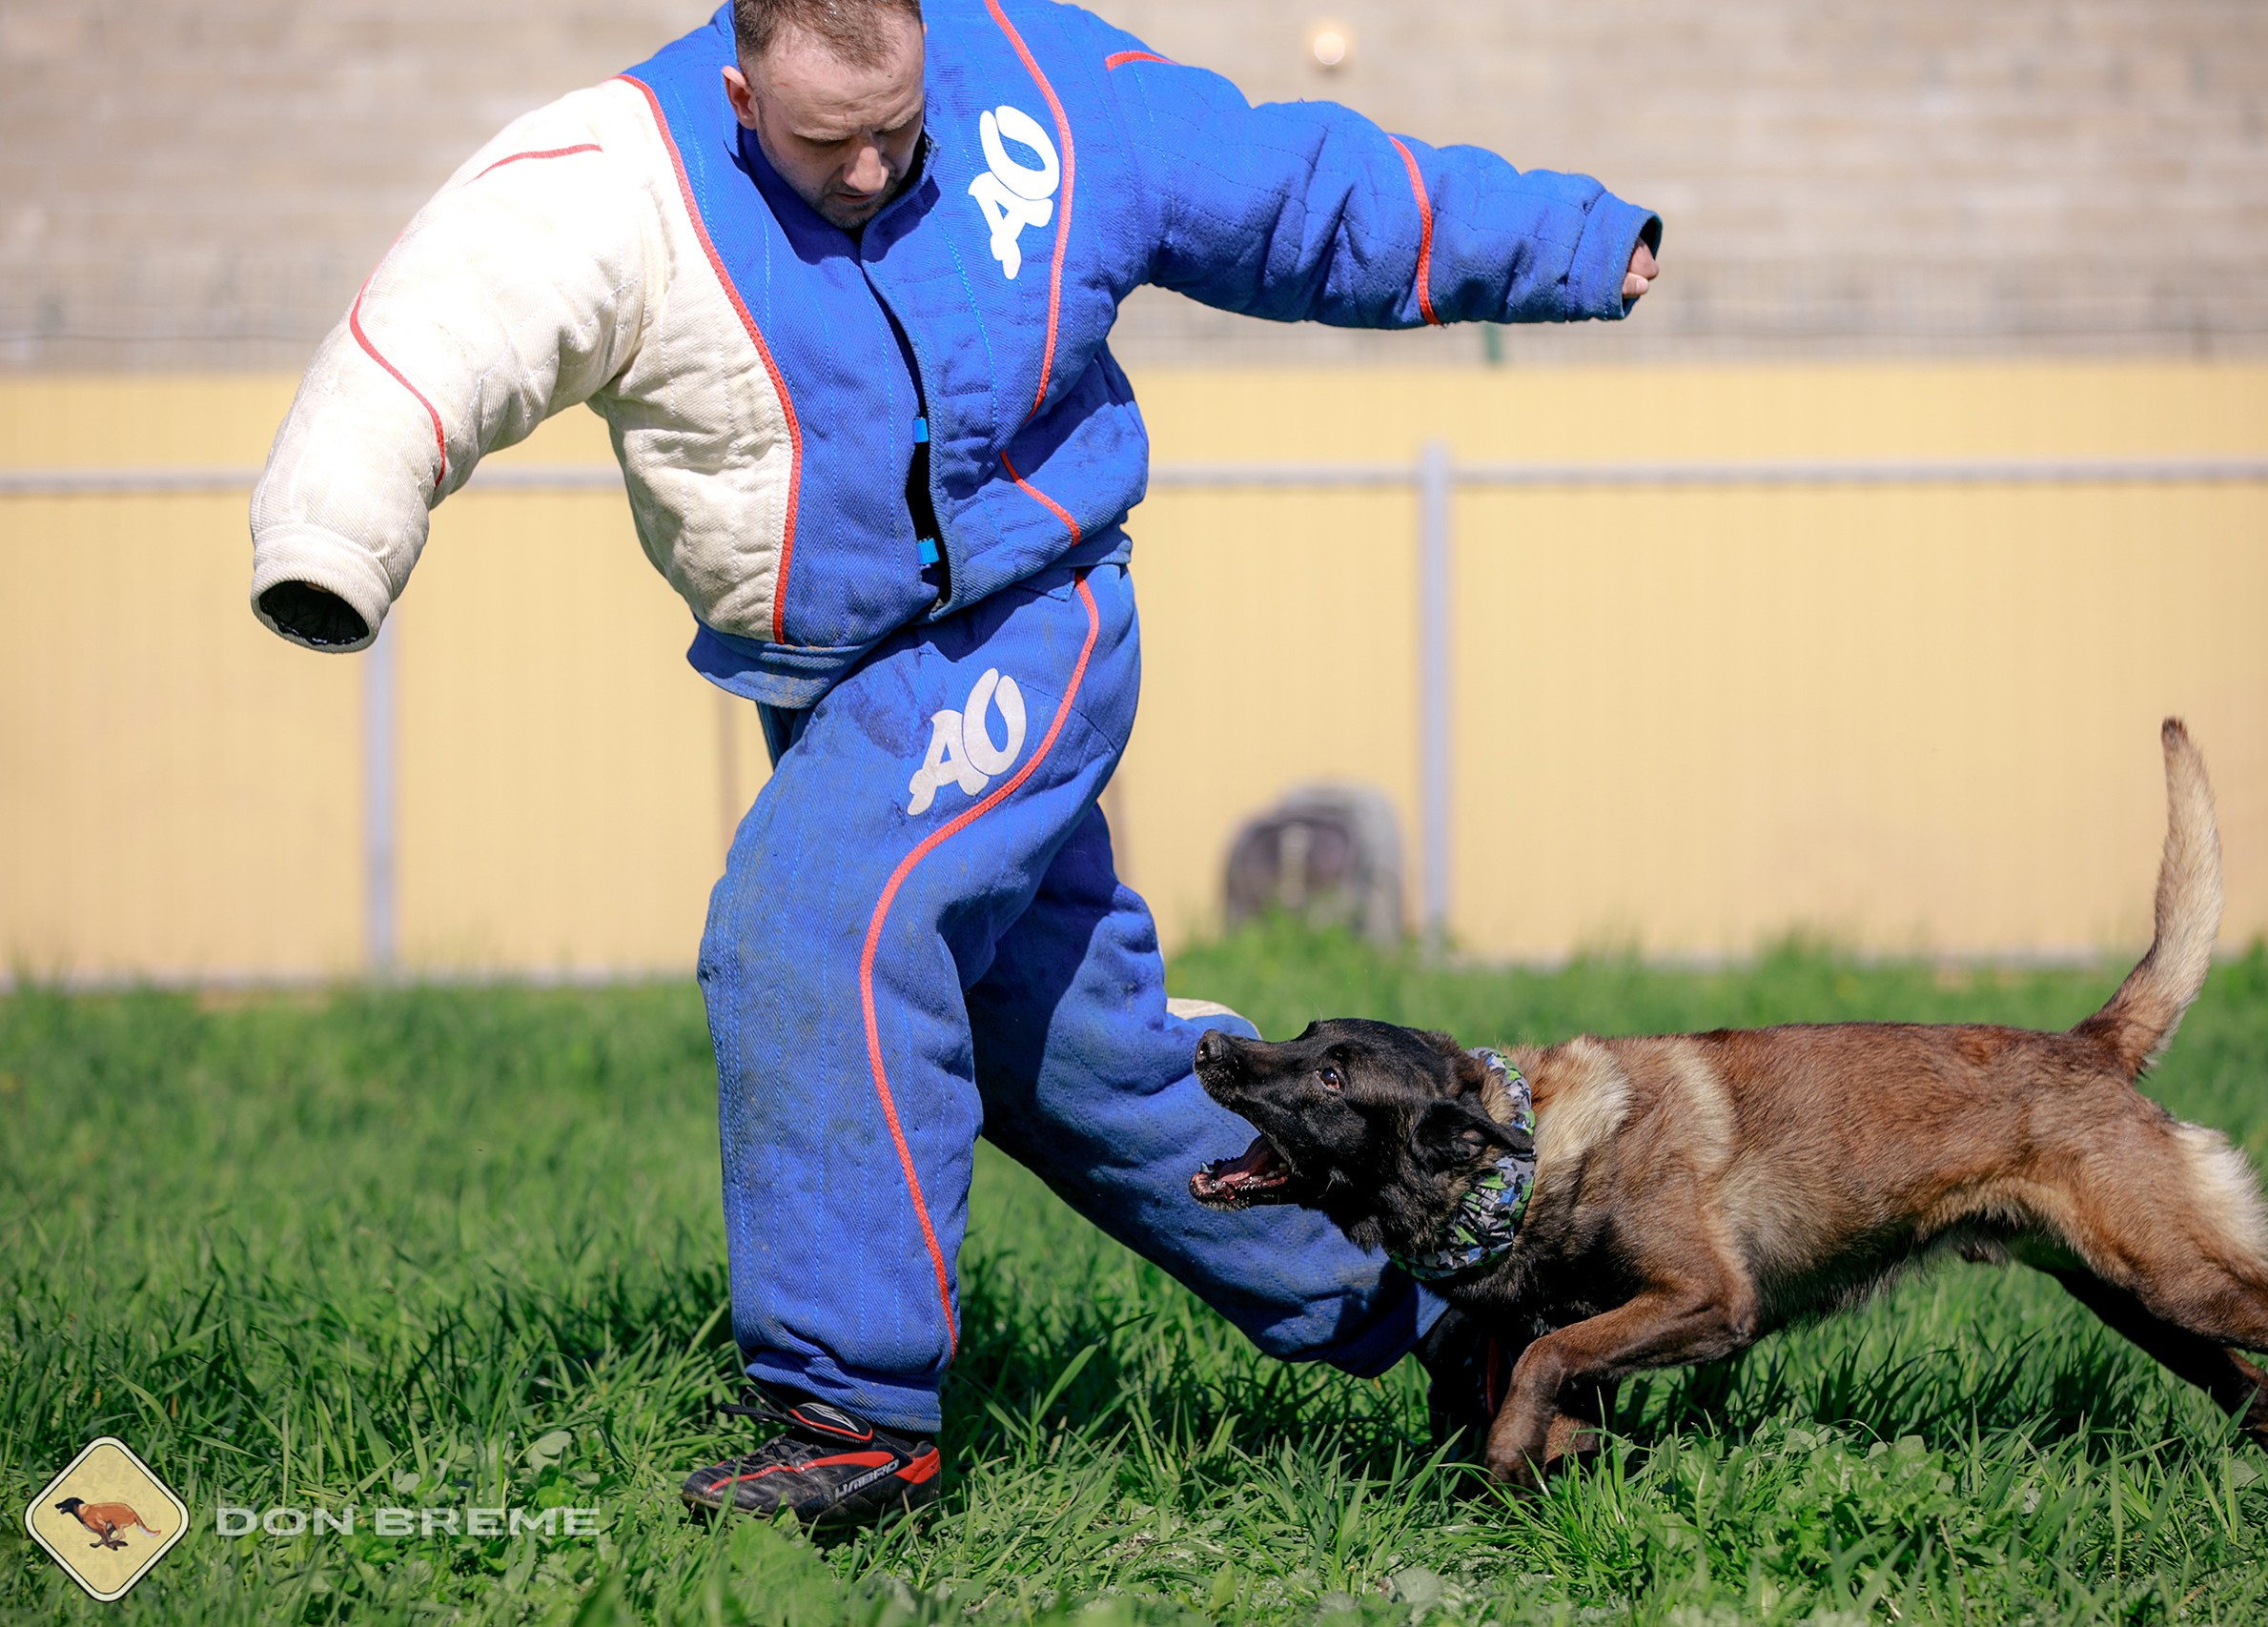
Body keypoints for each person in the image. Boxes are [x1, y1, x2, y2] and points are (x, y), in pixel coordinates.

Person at [247, 0, 1661, 1529]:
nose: (871, 171)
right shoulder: (620, 174)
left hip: (1027, 628)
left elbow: (1298, 189)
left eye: (899, 129)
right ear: (739, 87)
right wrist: (332, 541)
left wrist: (1571, 243)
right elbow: (446, 323)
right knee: (1079, 1060)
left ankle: (850, 1417)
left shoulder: (1040, 83)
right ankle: (1469, 1291)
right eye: (822, 141)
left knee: (820, 922)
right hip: (839, 679)